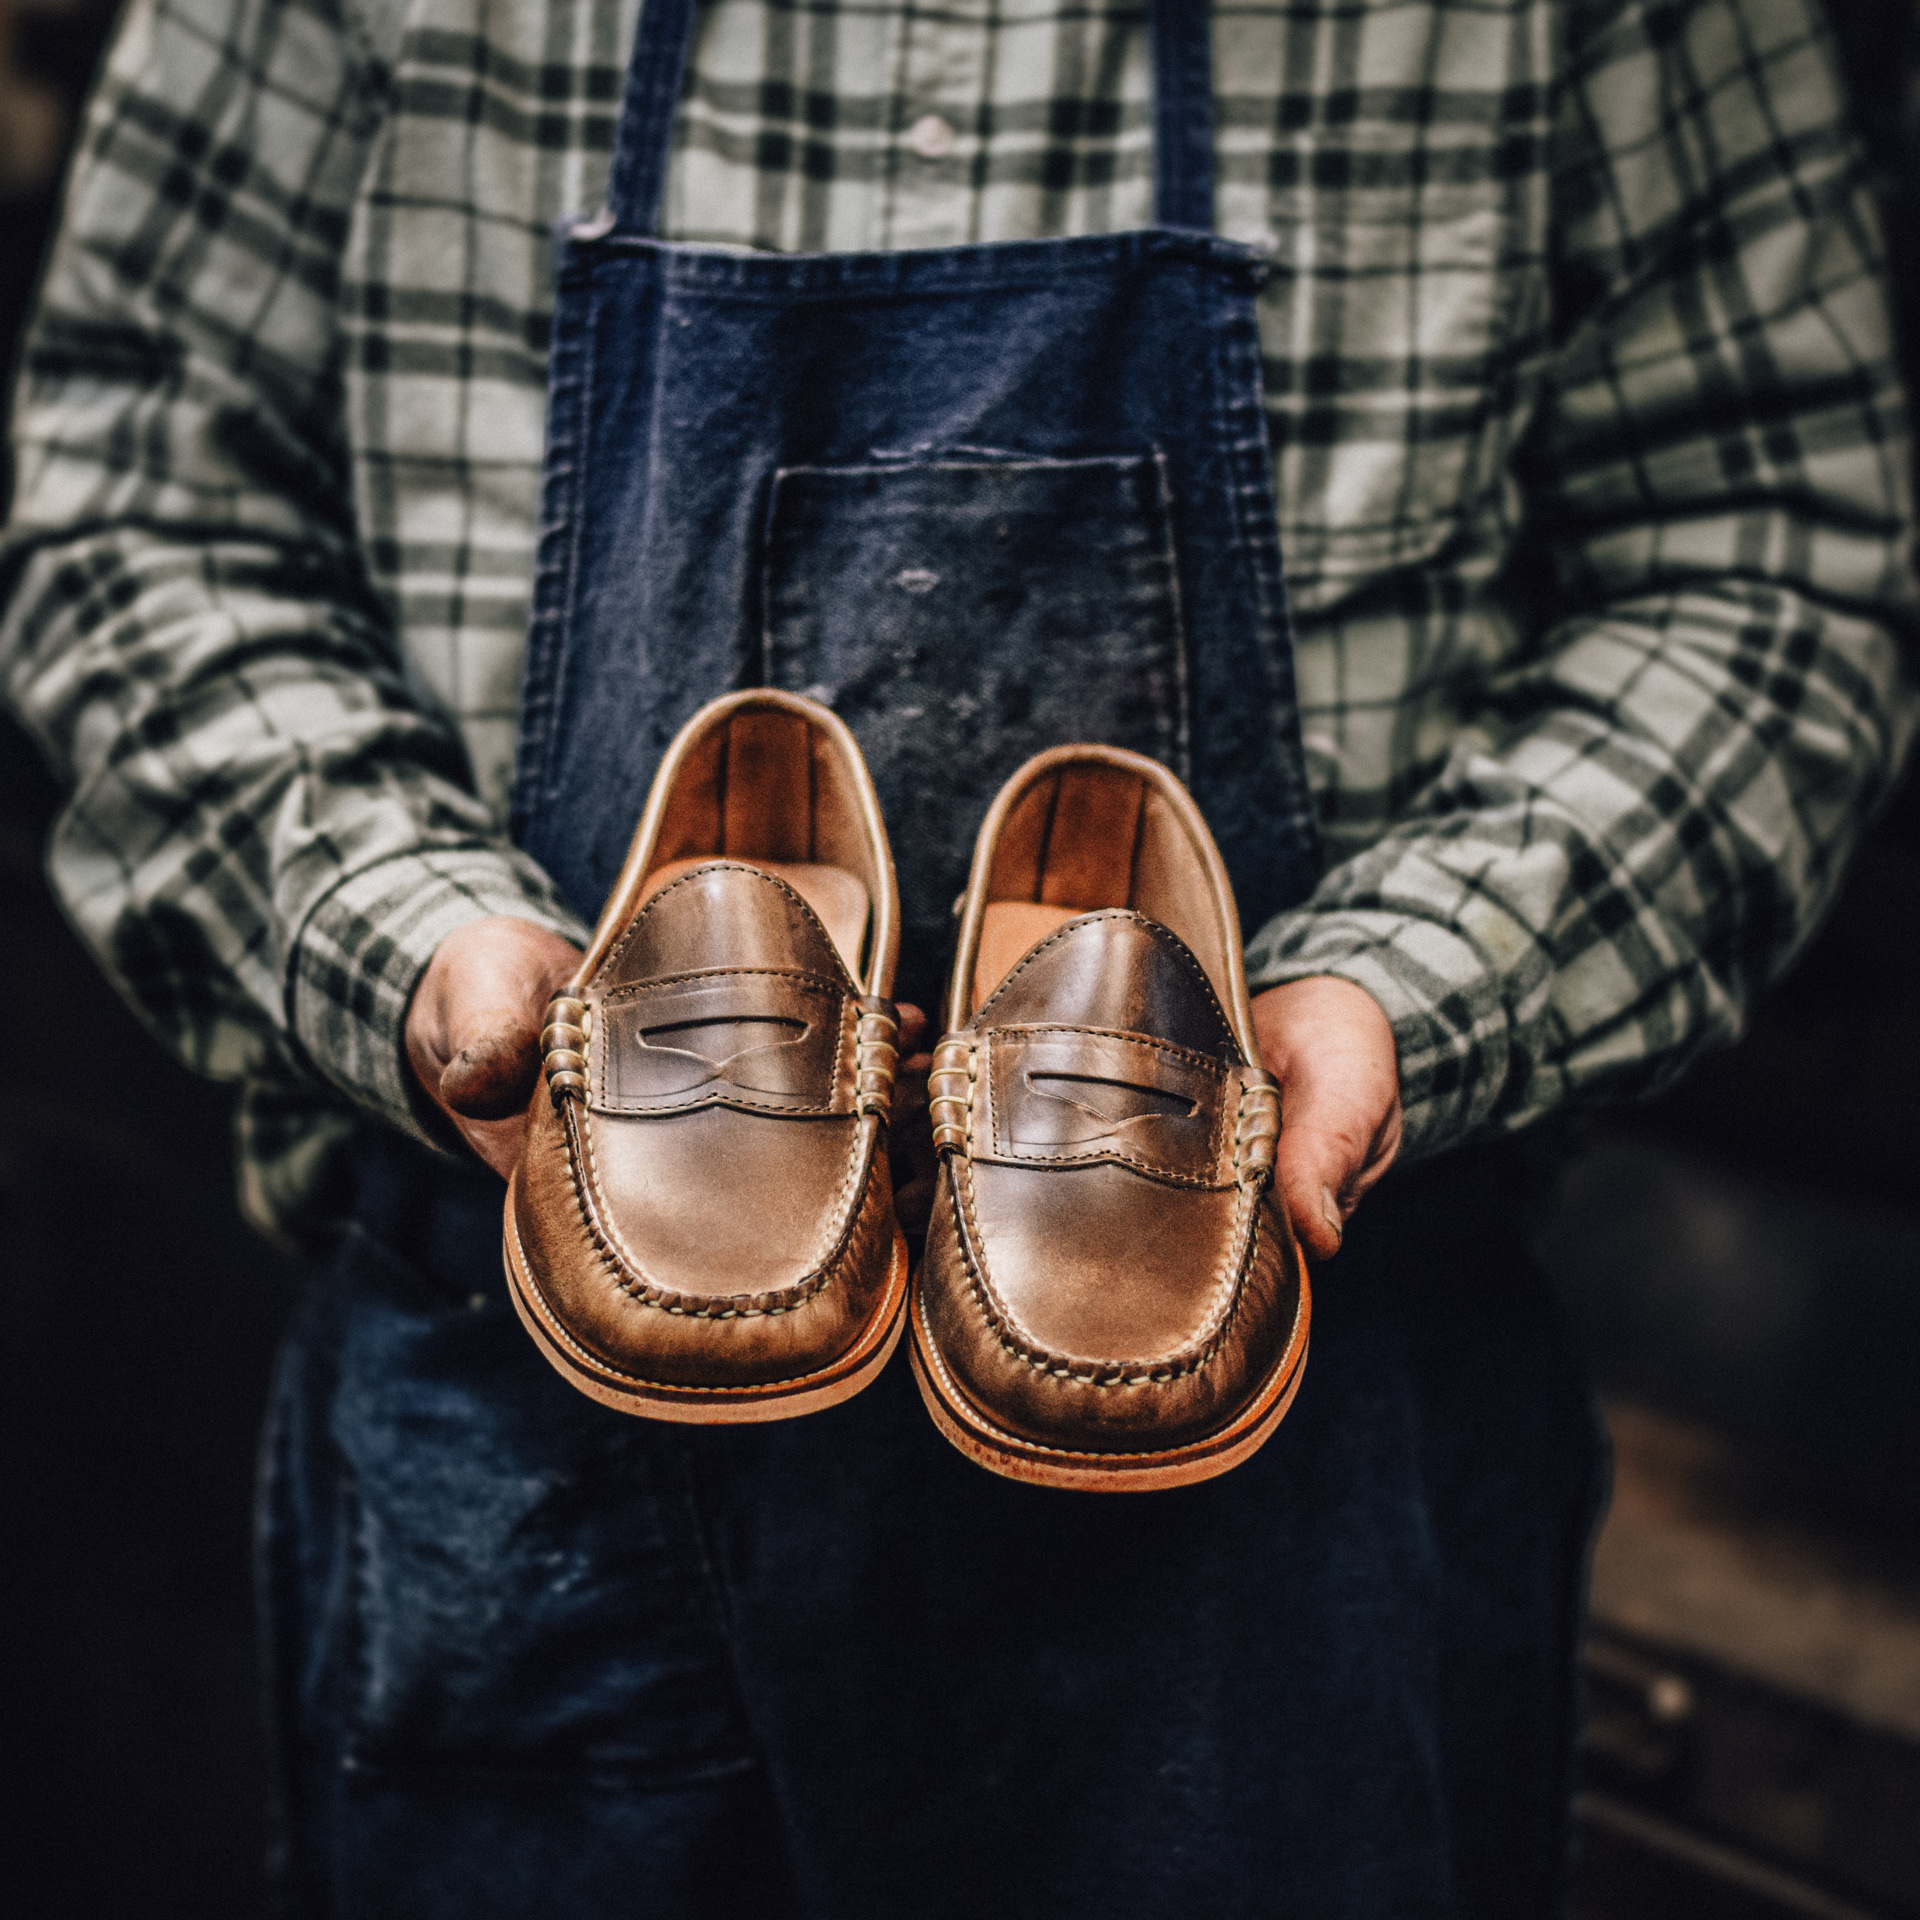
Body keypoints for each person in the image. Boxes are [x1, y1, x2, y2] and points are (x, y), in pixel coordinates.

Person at [2, 0, 1913, 1911]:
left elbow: (1765, 563)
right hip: (536, 1449)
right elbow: (144, 498)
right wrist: (412, 944)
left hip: (1281, 1456)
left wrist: (1404, 993)